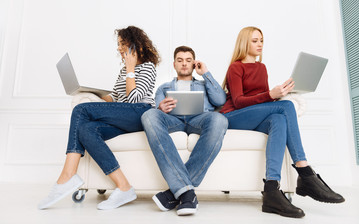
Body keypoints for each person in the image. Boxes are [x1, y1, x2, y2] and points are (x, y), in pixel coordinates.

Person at [220, 26, 345, 218]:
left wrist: (279, 94)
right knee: (286, 107)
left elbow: (260, 98)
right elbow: (238, 101)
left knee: (279, 118)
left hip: (254, 115)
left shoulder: (262, 68)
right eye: (254, 40)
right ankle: (304, 172)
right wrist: (271, 95)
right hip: (233, 117)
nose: (260, 44)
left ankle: (271, 189)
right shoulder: (236, 67)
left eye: (261, 40)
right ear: (244, 43)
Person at [38, 26, 160, 210]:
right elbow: (117, 97)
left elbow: (134, 99)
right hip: (123, 115)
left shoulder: (147, 67)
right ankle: (124, 187)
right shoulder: (123, 71)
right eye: (118, 44)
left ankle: (68, 175)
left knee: (80, 111)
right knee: (86, 129)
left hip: (140, 113)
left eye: (122, 43)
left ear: (135, 45)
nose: (119, 48)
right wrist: (94, 97)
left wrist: (130, 68)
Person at [141, 46, 228, 216]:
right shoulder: (164, 88)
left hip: (198, 119)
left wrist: (206, 74)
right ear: (174, 64)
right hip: (174, 120)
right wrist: (161, 107)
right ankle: (187, 193)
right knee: (149, 115)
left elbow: (220, 100)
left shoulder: (204, 83)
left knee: (219, 119)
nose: (184, 64)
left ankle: (177, 191)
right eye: (180, 60)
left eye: (188, 60)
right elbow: (157, 113)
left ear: (194, 64)